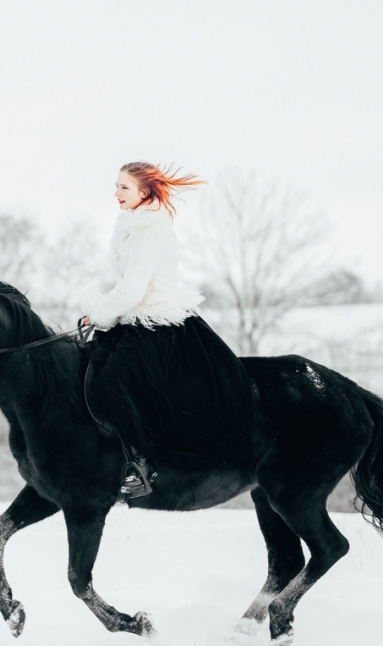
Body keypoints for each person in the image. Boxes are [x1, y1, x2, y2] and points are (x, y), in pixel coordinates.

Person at [79, 162, 253, 496]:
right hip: (132, 315)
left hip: (154, 322)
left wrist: (100, 314)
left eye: (124, 188)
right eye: (115, 186)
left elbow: (134, 288)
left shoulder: (150, 230)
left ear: (144, 192)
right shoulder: (130, 224)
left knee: (112, 384)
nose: (116, 194)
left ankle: (141, 464)